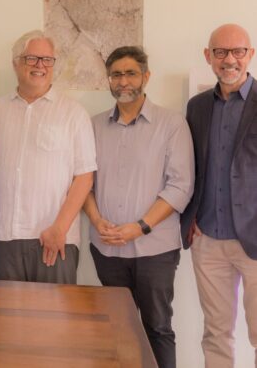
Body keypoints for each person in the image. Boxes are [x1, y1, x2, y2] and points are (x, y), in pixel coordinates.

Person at [84, 46, 194, 368]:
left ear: (146, 76)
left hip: (155, 249)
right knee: (117, 329)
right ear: (108, 79)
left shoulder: (171, 124)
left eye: (131, 73)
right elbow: (83, 183)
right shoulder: (93, 126)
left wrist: (140, 227)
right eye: (116, 74)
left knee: (157, 328)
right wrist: (96, 220)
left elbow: (180, 186)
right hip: (107, 248)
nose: (123, 81)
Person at [0, 30, 96, 284]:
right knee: (7, 311)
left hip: (55, 238)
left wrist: (59, 228)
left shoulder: (73, 113)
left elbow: (84, 177)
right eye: (31, 58)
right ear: (16, 63)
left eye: (47, 60)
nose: (40, 66)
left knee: (55, 311)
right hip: (5, 237)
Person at [182, 23, 257, 367]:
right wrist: (191, 216)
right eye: (221, 52)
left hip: (254, 239)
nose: (230, 60)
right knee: (216, 333)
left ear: (250, 54)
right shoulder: (196, 107)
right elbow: (191, 165)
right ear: (208, 56)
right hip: (208, 239)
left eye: (238, 51)